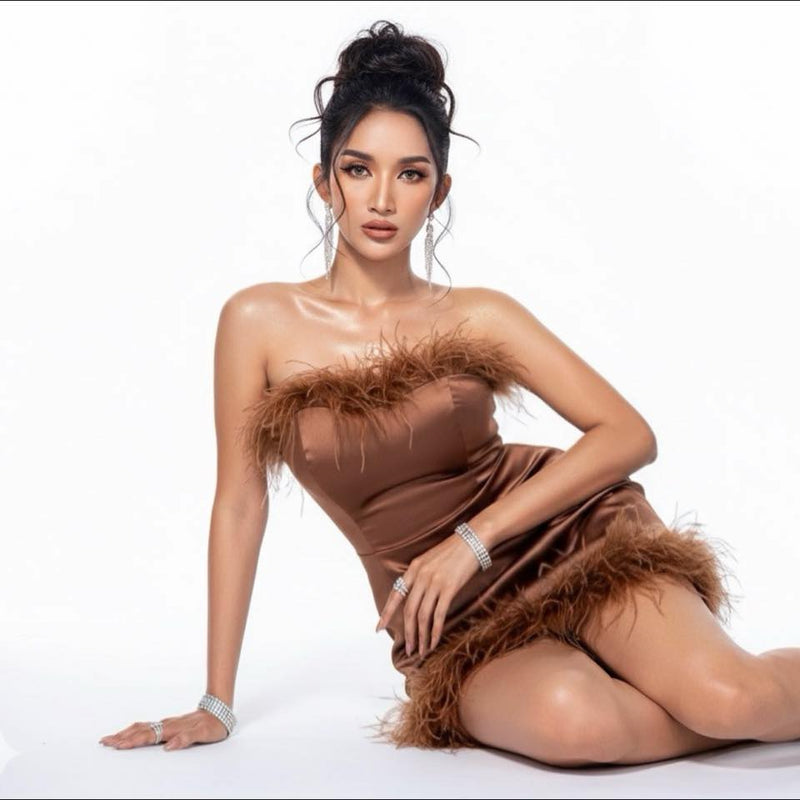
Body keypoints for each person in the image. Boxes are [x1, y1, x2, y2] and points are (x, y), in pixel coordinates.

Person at [99, 20, 800, 766]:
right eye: (359, 168)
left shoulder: (478, 314)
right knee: (575, 724)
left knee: (732, 699)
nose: (382, 198)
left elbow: (629, 433)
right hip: (444, 620)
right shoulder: (258, 321)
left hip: (567, 538)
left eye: (411, 173)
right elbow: (240, 503)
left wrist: (471, 542)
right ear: (323, 179)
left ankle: (728, 707)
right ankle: (691, 705)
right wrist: (217, 702)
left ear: (440, 190)